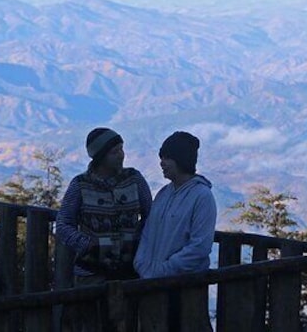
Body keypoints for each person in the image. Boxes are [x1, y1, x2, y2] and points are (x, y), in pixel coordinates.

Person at [56, 127, 152, 329]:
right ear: (100, 156)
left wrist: (139, 241)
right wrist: (87, 245)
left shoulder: (134, 179)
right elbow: (64, 223)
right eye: (114, 151)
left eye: (121, 149)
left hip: (129, 271)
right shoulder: (80, 185)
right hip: (91, 274)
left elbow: (150, 216)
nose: (121, 155)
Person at [134, 131, 217, 332]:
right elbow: (148, 233)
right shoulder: (163, 194)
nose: (161, 163)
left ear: (181, 160)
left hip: (183, 288)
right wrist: (142, 263)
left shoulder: (202, 197)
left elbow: (199, 247)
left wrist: (164, 270)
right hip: (152, 284)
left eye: (167, 158)